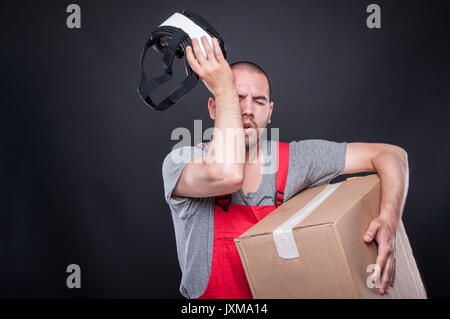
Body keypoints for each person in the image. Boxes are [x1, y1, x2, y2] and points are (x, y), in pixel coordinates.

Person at [162, 36, 408, 299]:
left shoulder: (295, 159)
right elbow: (227, 174)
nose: (246, 109)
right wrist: (222, 89)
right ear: (214, 108)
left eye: (258, 101)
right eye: (236, 98)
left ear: (269, 112)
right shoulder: (181, 162)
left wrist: (389, 221)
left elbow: (392, 155)